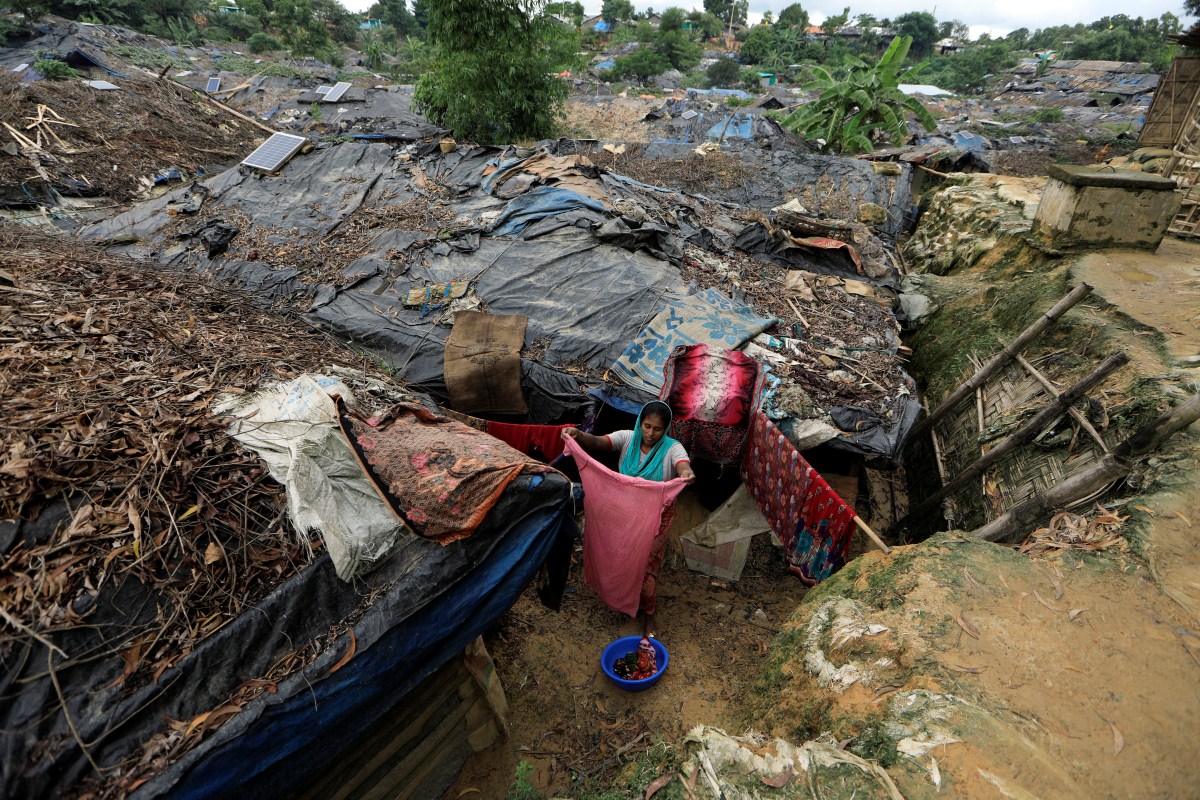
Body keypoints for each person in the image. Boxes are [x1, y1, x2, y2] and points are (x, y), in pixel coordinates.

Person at [562, 401, 695, 637]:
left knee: (645, 570)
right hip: (624, 513)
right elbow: (600, 443)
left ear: (665, 430)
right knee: (621, 556)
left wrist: (685, 473)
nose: (651, 433)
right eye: (647, 426)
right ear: (640, 423)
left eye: (657, 429)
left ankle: (649, 615)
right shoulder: (628, 438)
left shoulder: (672, 448)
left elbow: (682, 463)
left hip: (656, 519)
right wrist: (579, 435)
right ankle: (619, 594)